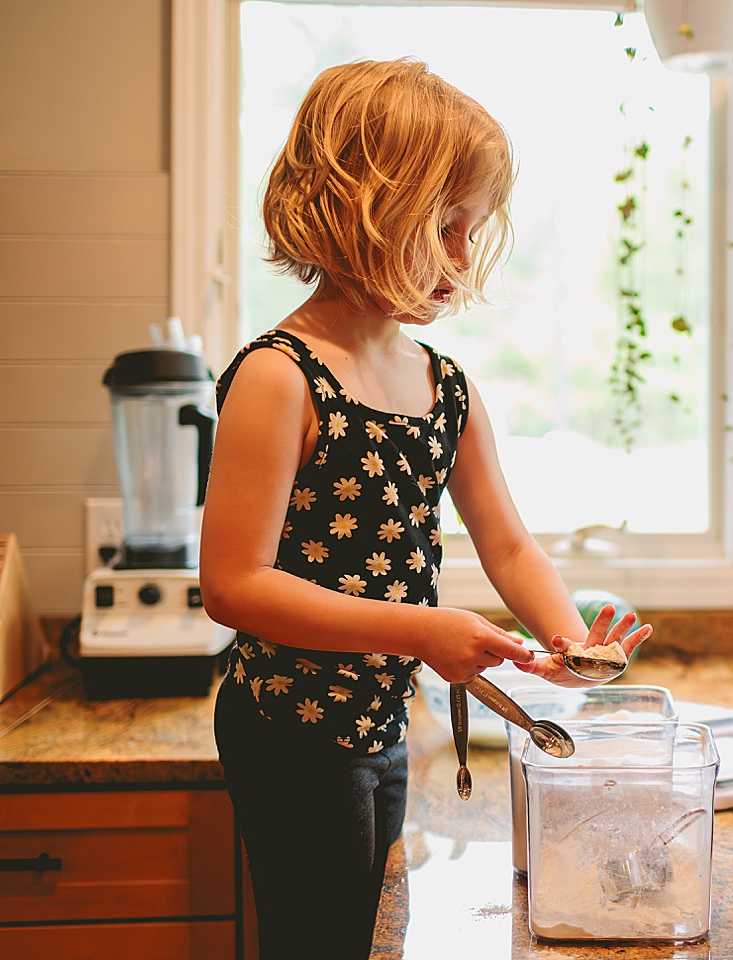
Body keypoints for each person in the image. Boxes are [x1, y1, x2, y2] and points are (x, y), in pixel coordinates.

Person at [198, 58, 652, 960]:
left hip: (378, 719)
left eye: (469, 230)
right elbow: (232, 587)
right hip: (288, 731)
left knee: (360, 933)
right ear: (352, 212)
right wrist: (418, 632)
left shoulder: (447, 389)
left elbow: (510, 544)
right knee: (318, 940)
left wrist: (568, 644)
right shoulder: (280, 376)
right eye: (440, 228)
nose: (458, 257)